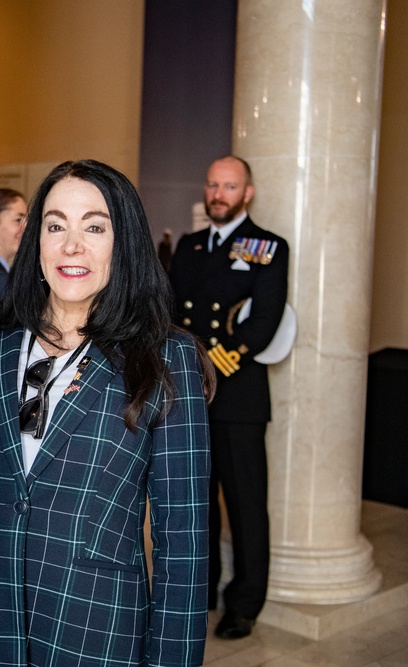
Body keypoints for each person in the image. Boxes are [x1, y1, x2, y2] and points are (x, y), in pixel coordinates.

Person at [0, 160, 211, 666]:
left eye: (95, 226)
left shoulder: (165, 356)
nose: (72, 246)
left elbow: (184, 542)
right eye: (55, 226)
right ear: (37, 241)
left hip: (94, 628)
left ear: (125, 241)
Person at [169, 155, 289, 640]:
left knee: (244, 504)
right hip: (191, 395)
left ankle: (245, 601)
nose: (218, 193)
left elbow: (265, 320)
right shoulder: (190, 245)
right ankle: (204, 591)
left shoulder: (267, 246)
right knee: (198, 502)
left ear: (247, 193)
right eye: (213, 183)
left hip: (237, 396)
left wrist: (214, 363)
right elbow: (173, 311)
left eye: (229, 185)